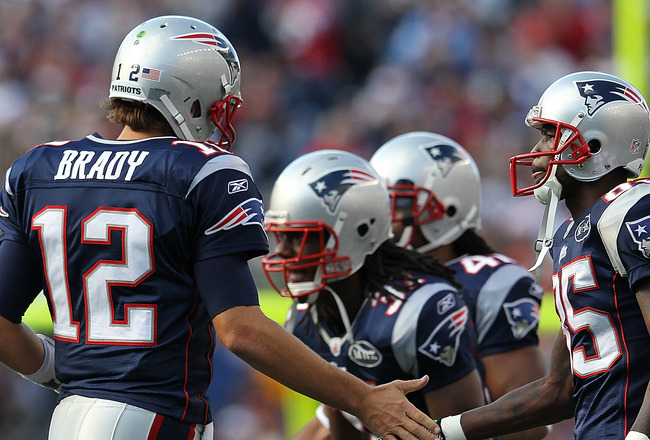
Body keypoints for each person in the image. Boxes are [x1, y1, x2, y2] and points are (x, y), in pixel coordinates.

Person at [0, 15, 441, 440]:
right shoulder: (201, 170)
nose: (221, 117)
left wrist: (60, 371)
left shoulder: (37, 168)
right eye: (215, 104)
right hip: (152, 418)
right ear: (187, 98)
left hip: (70, 417)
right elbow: (240, 329)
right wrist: (363, 399)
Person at [431, 70, 650, 440]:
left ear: (594, 144)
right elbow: (559, 390)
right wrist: (442, 431)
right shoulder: (570, 236)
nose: (536, 151)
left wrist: (639, 436)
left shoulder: (633, 211)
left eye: (550, 134)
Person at [261, 149, 487, 440]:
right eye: (282, 236)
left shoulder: (420, 308)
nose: (283, 252)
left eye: (299, 237)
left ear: (357, 231)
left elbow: (461, 432)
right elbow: (339, 422)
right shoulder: (307, 316)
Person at [369, 131, 548, 440]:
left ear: (447, 208)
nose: (381, 221)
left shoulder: (489, 281)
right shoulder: (374, 285)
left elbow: (527, 425)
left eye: (393, 206)